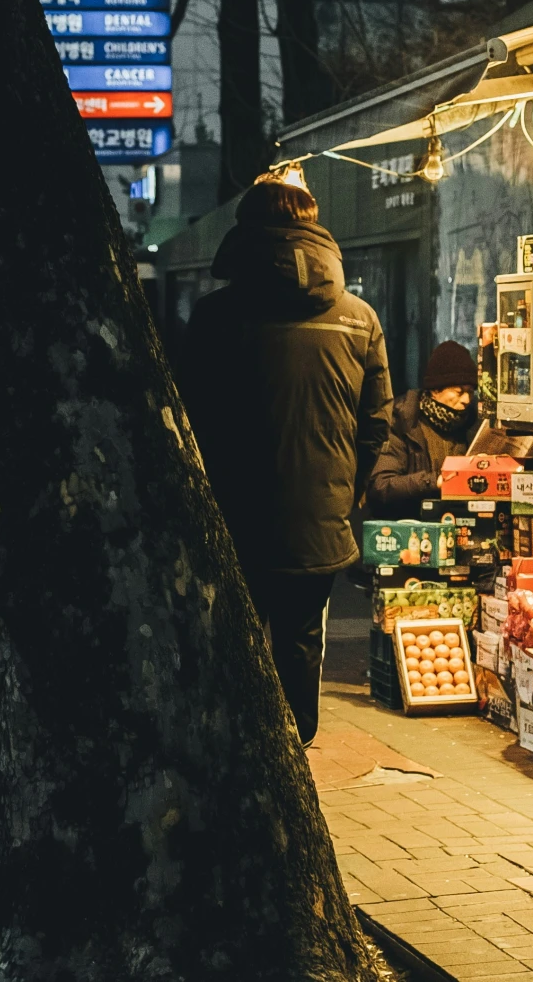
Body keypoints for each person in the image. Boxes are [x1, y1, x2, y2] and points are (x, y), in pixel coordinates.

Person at [177, 180, 391, 745]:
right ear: (315, 227)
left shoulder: (214, 317)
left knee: (234, 637)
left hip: (232, 514)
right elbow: (376, 424)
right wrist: (344, 492)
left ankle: (241, 751)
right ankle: (295, 746)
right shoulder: (359, 318)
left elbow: (187, 417)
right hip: (318, 514)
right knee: (300, 640)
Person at [364, 340, 481, 521]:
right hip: (409, 526)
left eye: (471, 392)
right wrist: (434, 482)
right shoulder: (402, 422)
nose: (466, 399)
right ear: (435, 390)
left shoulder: (472, 426)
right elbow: (381, 485)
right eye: (459, 392)